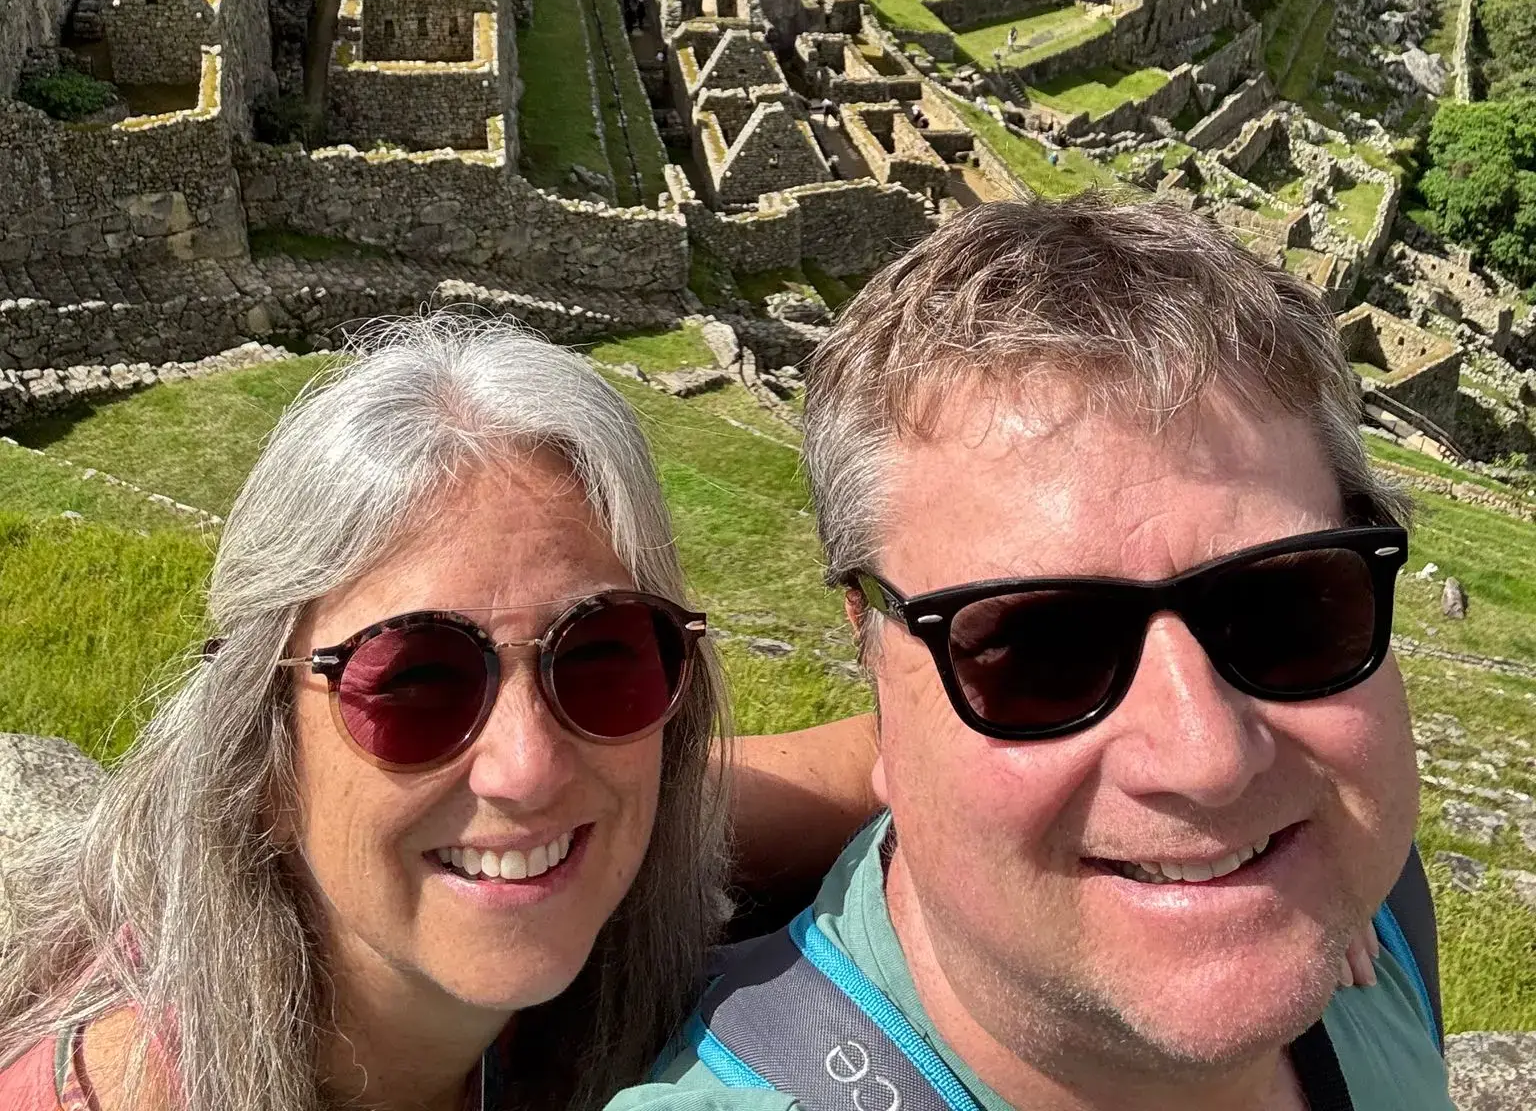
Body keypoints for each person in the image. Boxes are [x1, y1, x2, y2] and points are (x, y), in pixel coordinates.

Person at [624, 199, 1451, 1111]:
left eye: (1286, 608)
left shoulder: (1376, 914)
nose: (1208, 760)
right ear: (874, 659)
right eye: (1038, 653)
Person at [0, 317, 875, 1111]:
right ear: (263, 753)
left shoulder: (636, 818)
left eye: (602, 657)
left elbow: (907, 753)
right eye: (418, 683)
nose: (527, 768)